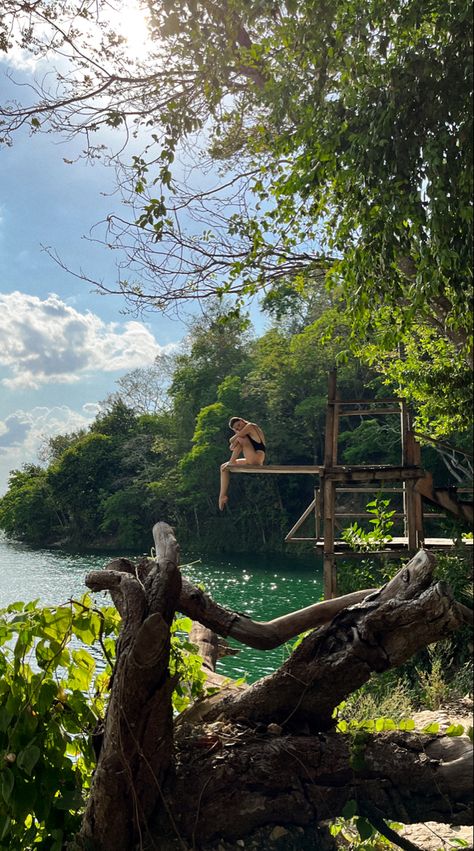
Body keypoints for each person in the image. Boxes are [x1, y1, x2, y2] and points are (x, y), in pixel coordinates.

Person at [218, 417, 266, 510]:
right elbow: (232, 447)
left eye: (239, 425)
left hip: (257, 457)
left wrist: (237, 435)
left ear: (242, 421)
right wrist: (237, 436)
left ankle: (231, 462)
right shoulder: (244, 434)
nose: (239, 428)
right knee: (223, 467)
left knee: (241, 439)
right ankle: (222, 496)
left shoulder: (251, 426)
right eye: (236, 429)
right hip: (250, 458)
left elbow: (232, 441)